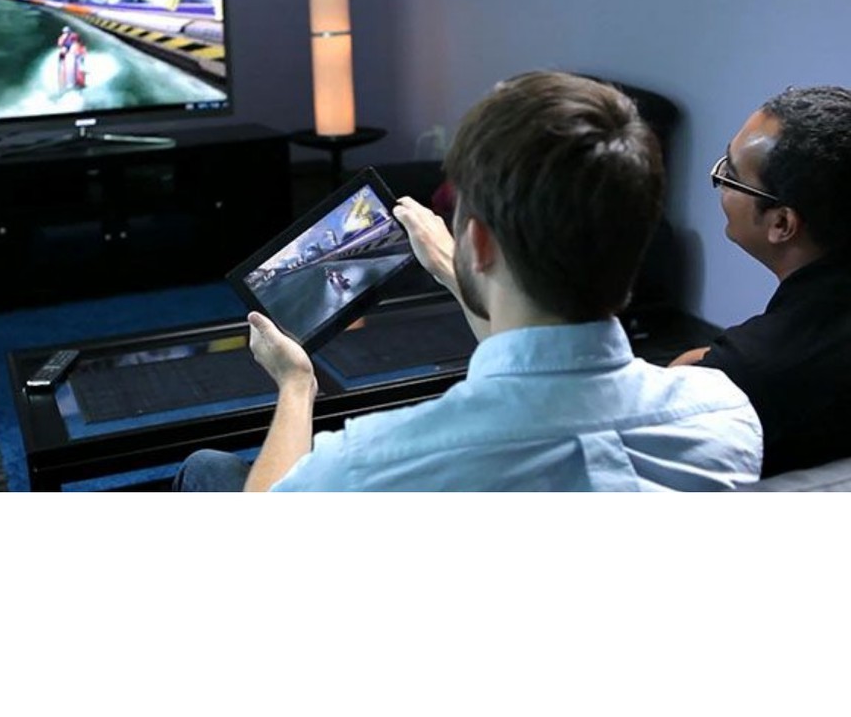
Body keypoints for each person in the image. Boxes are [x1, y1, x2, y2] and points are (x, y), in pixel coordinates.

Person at [173, 71, 762, 491]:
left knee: (206, 468)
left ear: (478, 242)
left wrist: (296, 384)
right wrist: (459, 272)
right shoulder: (723, 415)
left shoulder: (365, 461)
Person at [670, 85, 851, 478]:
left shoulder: (750, 373)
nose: (720, 181)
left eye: (731, 176)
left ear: (781, 224)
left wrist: (700, 366)